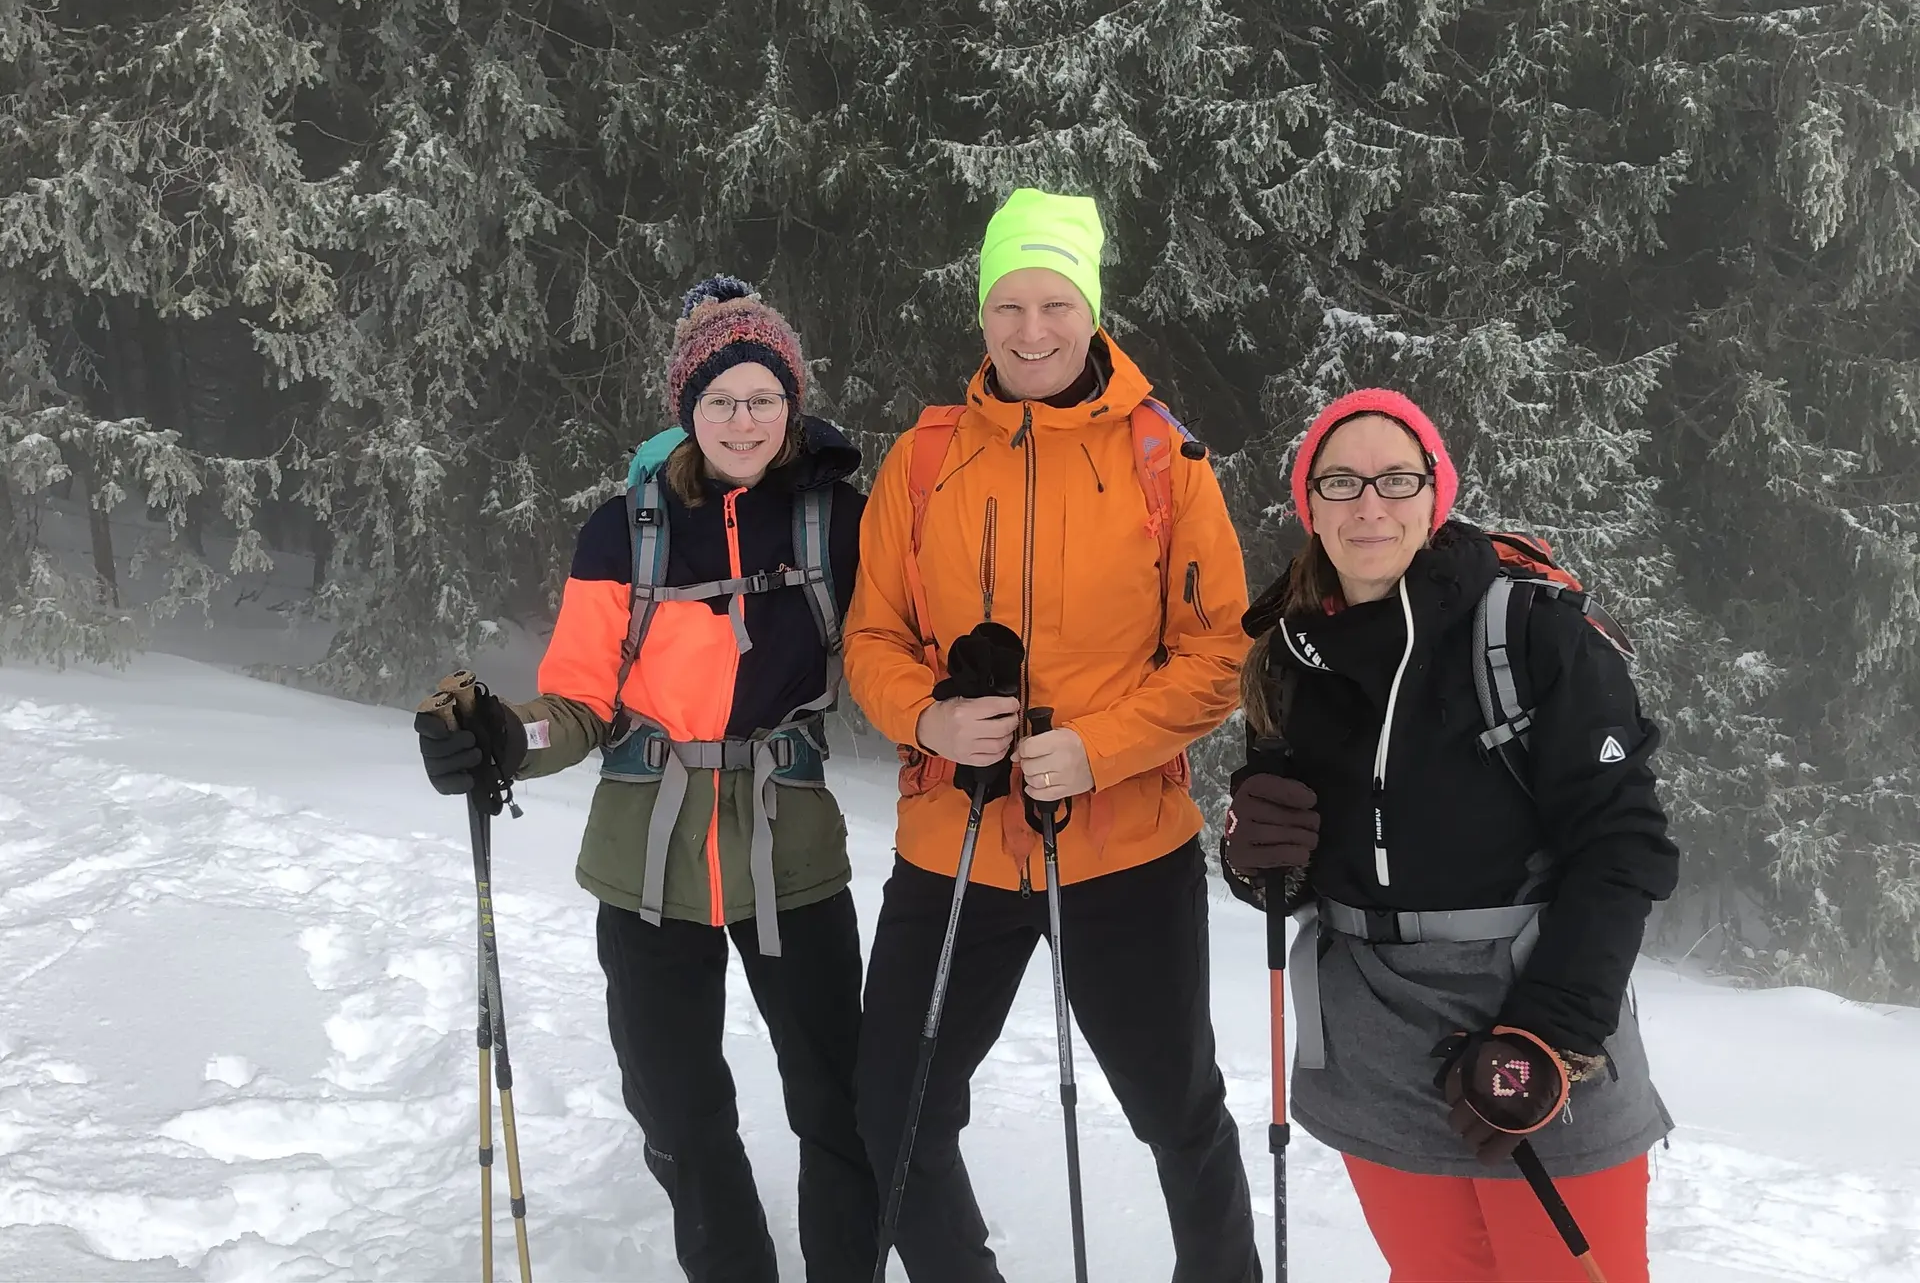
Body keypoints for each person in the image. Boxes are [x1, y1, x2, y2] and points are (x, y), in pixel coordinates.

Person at [414, 276, 876, 1282]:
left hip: (790, 851)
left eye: (763, 397)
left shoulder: (836, 520)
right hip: (647, 863)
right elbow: (576, 704)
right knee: (676, 1107)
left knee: (838, 1099)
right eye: (721, 399)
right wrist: (503, 738)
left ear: (792, 403)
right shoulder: (622, 530)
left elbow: (897, 656)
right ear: (687, 408)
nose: (743, 420)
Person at [844, 188, 1260, 1282]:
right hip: (956, 841)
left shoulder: (1166, 459)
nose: (1032, 331)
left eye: (1056, 304)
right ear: (982, 313)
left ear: (1093, 310)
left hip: (1124, 845)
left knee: (1178, 1112)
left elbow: (1220, 653)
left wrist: (1099, 748)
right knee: (894, 1108)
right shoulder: (923, 459)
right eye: (1009, 305)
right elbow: (872, 637)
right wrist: (929, 715)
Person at [1224, 387, 1679, 1283]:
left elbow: (1623, 846)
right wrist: (1256, 857)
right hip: (1372, 1032)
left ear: (1437, 494)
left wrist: (1551, 1031)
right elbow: (1308, 868)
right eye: (1340, 481)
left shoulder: (1531, 631)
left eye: (1397, 479)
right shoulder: (1289, 656)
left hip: (1534, 1010)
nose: (1369, 505)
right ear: (1308, 504)